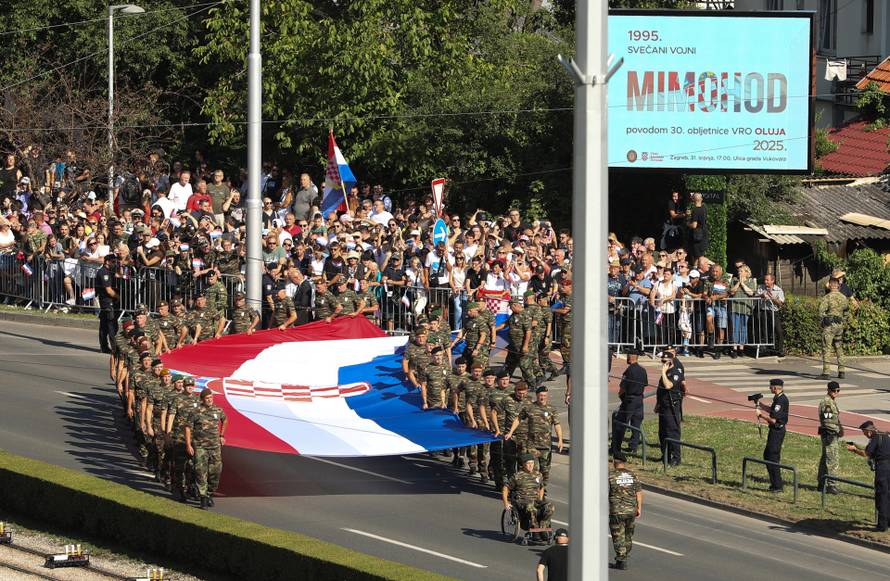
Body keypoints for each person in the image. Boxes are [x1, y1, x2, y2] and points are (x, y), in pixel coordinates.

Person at [185, 388, 228, 509]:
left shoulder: (218, 410)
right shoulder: (195, 412)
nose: (210, 400)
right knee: (200, 472)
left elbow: (225, 420)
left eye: (211, 398)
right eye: (207, 398)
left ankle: (208, 493)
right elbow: (188, 428)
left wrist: (221, 435)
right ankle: (203, 497)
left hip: (215, 447)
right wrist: (188, 445)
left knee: (216, 472)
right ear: (202, 399)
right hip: (200, 447)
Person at [846, 421, 890, 532]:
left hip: (883, 470)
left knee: (882, 496)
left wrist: (854, 449)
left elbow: (866, 453)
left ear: (869, 431)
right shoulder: (885, 435)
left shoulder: (875, 438)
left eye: (864, 432)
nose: (864, 435)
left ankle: (882, 525)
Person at [502, 454, 554, 538]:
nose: (531, 465)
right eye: (528, 463)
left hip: (535, 501)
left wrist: (540, 499)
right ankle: (535, 530)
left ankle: (543, 527)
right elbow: (505, 489)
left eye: (532, 463)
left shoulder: (538, 475)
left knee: (550, 506)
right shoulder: (517, 476)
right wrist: (506, 503)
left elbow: (541, 487)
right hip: (522, 502)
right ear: (523, 464)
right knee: (531, 507)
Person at [523, 386, 563, 486]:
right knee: (534, 470)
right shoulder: (529, 408)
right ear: (537, 395)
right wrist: (510, 432)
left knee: (545, 471)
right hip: (532, 446)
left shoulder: (551, 409)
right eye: (540, 395)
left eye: (544, 395)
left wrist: (560, 440)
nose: (542, 397)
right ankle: (534, 493)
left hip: (546, 446)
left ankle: (542, 493)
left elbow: (557, 425)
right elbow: (518, 420)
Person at [608, 452, 642, 570]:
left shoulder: (610, 475)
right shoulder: (632, 475)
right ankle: (625, 555)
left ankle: (621, 560)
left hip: (617, 511)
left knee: (618, 535)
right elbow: (638, 492)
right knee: (628, 535)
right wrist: (639, 508)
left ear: (614, 462)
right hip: (631, 510)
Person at [756, 378, 789, 492]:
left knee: (772, 457)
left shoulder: (781, 400)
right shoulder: (778, 398)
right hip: (775, 431)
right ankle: (774, 483)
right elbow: (773, 411)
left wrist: (761, 415)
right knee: (767, 455)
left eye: (770, 387)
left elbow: (774, 420)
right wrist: (761, 405)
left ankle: (777, 485)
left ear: (775, 388)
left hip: (777, 431)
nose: (770, 388)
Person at [611, 352, 646, 455]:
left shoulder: (629, 371)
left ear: (630, 358)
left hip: (629, 400)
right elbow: (644, 385)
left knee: (621, 423)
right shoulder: (643, 370)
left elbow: (622, 388)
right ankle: (633, 447)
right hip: (639, 399)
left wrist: (621, 396)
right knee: (636, 423)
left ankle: (616, 448)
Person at [655, 351, 684, 466]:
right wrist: (657, 404)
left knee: (672, 431)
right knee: (662, 432)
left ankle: (676, 457)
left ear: (671, 361)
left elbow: (668, 386)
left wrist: (663, 371)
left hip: (672, 406)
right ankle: (665, 455)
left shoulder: (675, 372)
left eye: (666, 362)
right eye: (662, 361)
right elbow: (660, 389)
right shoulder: (665, 372)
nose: (663, 363)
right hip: (663, 405)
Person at [819, 277, 849, 379]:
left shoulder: (827, 297)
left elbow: (821, 311)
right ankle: (842, 371)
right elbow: (846, 311)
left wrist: (824, 321)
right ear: (838, 285)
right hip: (839, 325)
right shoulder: (843, 297)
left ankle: (826, 372)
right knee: (838, 347)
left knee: (826, 348)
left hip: (830, 325)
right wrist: (842, 320)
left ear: (830, 285)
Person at [817, 381, 843, 494]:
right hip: (830, 435)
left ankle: (821, 483)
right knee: (832, 460)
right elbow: (828, 422)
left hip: (830, 434)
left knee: (825, 460)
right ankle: (831, 485)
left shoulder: (831, 402)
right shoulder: (827, 403)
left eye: (838, 391)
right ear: (828, 390)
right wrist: (838, 430)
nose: (836, 393)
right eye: (833, 391)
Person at [756, 273, 786, 358]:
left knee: (778, 330)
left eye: (767, 280)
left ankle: (780, 350)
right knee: (765, 331)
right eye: (765, 280)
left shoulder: (778, 290)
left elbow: (781, 303)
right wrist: (762, 295)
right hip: (764, 311)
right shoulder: (761, 287)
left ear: (772, 281)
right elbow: (755, 295)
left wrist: (773, 298)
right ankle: (766, 350)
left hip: (774, 311)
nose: (765, 282)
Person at [95, 254, 120, 354]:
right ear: (107, 262)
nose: (115, 264)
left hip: (106, 301)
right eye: (113, 262)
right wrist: (118, 297)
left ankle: (104, 347)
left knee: (104, 325)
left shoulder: (109, 271)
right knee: (111, 325)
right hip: (107, 302)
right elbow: (109, 290)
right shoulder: (103, 272)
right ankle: (114, 348)